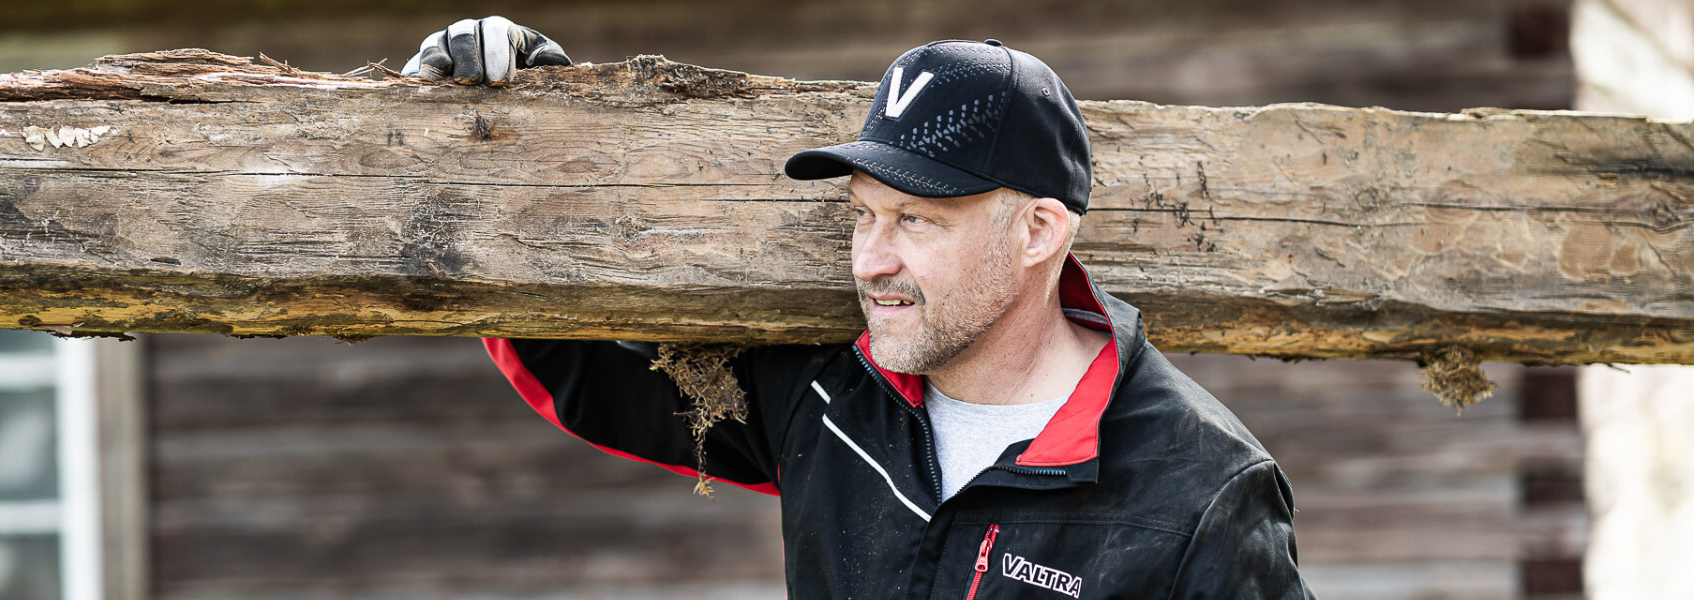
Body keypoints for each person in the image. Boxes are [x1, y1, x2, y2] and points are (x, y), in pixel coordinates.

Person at [415, 17, 1316, 599]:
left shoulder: (1200, 492)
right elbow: (589, 378)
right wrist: (501, 156)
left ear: (1039, 230)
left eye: (916, 220)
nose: (871, 261)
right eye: (861, 215)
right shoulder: (831, 393)